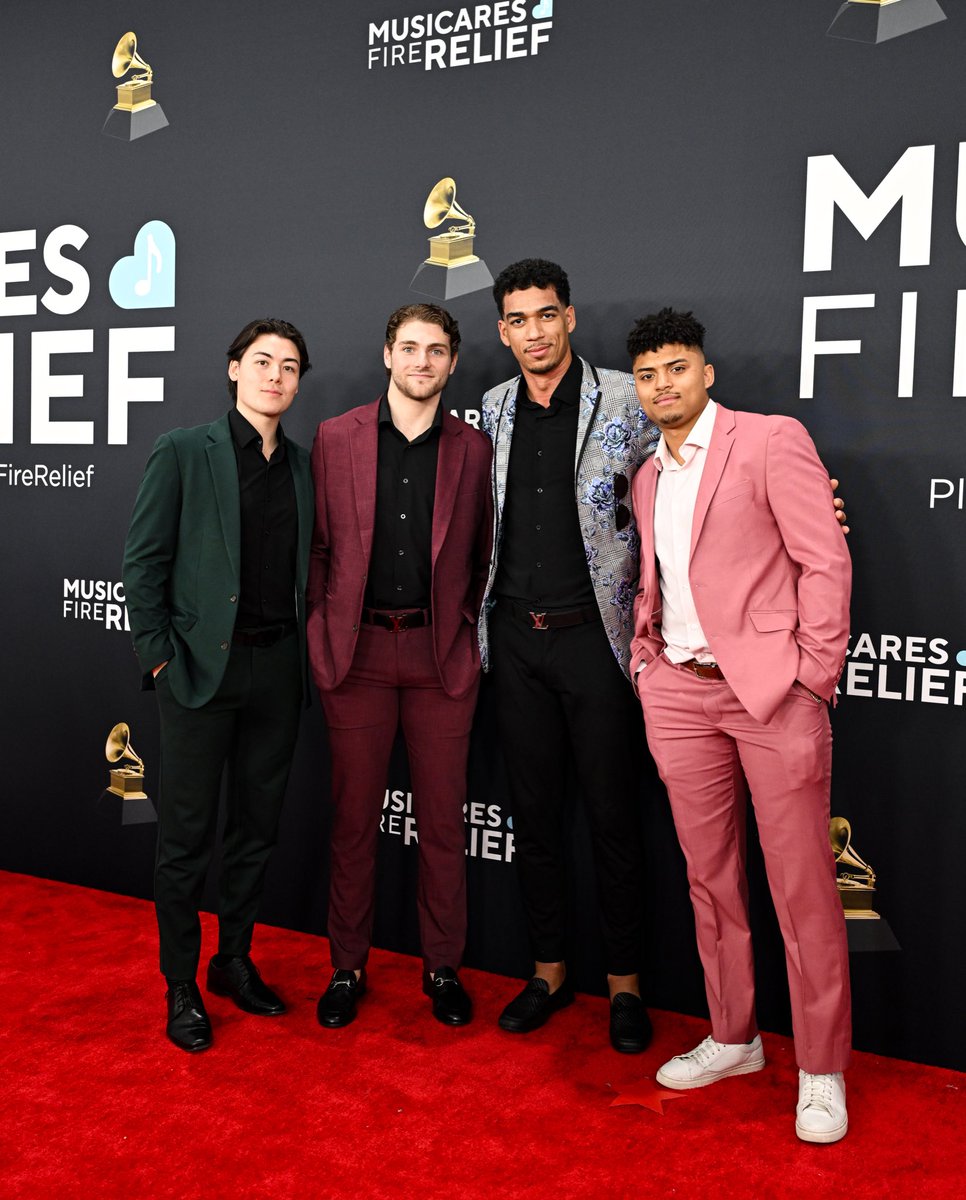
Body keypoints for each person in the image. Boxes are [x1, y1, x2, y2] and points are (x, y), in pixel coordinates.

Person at [627, 307, 852, 1143]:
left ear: (705, 371)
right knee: (709, 878)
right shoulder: (647, 475)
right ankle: (734, 1036)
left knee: (802, 889)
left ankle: (822, 1067)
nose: (663, 385)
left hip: (771, 695)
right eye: (649, 374)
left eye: (677, 368)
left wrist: (812, 678)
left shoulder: (767, 440)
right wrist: (648, 667)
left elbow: (824, 558)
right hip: (679, 696)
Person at [479, 259, 658, 1052]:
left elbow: (702, 462)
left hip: (598, 638)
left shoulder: (627, 395)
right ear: (503, 330)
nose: (534, 332)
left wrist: (803, 496)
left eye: (546, 315)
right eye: (518, 320)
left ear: (570, 318)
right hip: (515, 639)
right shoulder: (490, 408)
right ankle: (548, 972)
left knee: (615, 818)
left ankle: (625, 987)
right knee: (536, 816)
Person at [123, 318, 314, 1052]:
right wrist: (162, 658)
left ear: (298, 383)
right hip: (200, 673)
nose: (275, 375)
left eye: (289, 366)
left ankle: (233, 959)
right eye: (262, 361)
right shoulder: (182, 451)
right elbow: (143, 562)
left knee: (256, 830)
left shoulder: (300, 465)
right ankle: (180, 983)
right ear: (234, 369)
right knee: (185, 838)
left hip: (277, 670)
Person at [308, 303, 492, 1029]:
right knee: (353, 820)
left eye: (436, 351)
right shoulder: (334, 437)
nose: (422, 362)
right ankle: (347, 968)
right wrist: (324, 638)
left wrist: (465, 633)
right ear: (387, 354)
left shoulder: (473, 449)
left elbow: (483, 555)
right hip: (354, 657)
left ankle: (442, 966)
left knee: (443, 822)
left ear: (453, 363)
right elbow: (320, 549)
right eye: (409, 348)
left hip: (438, 654)